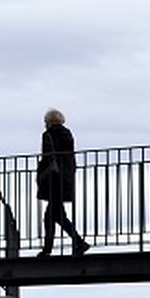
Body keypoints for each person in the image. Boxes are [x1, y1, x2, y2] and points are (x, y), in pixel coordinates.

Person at [36, 108, 89, 257]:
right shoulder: (68, 135)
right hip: (65, 180)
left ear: (48, 122)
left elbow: (48, 156)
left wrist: (43, 174)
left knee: (52, 216)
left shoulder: (48, 135)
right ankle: (76, 243)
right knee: (56, 216)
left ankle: (54, 248)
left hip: (53, 180)